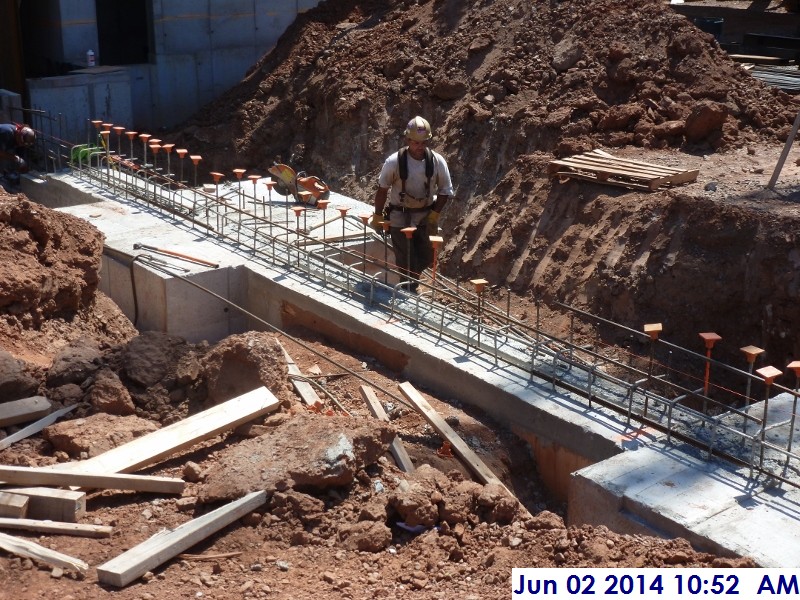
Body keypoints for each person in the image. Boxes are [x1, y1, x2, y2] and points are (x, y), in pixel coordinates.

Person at [372, 116, 454, 292]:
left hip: (424, 217)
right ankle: (408, 291)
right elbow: (382, 189)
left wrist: (434, 215)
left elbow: (445, 191)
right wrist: (378, 215)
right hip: (399, 218)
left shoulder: (436, 162)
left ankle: (411, 282)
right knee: (406, 260)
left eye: (424, 142)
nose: (420, 146)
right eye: (416, 142)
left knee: (427, 256)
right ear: (407, 140)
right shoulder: (394, 162)